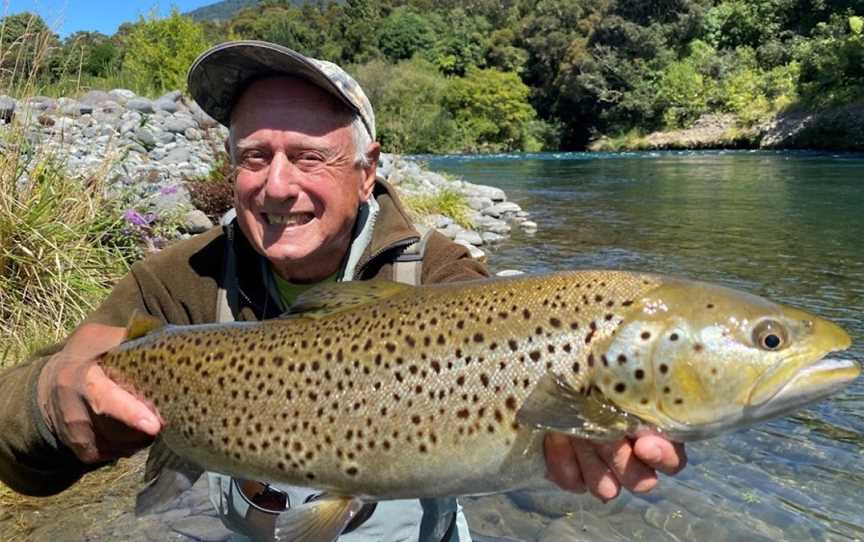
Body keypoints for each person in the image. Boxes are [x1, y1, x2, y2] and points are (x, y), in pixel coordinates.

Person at [0, 41, 686, 540]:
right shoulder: (178, 282)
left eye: (308, 156)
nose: (275, 185)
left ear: (367, 171)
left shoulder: (443, 278)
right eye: (254, 156)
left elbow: (532, 383)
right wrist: (57, 406)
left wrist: (580, 438)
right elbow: (16, 453)